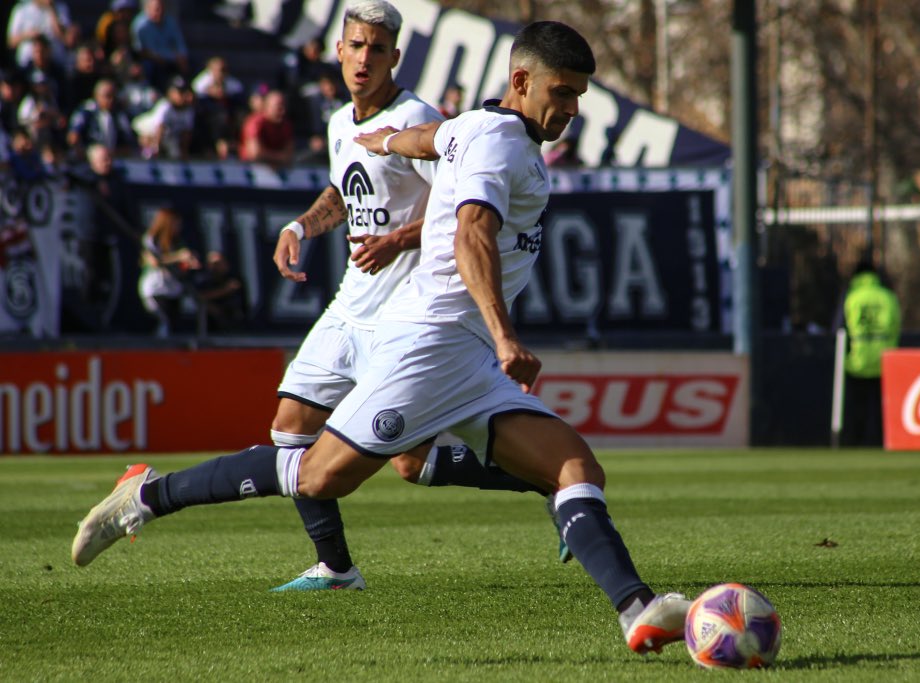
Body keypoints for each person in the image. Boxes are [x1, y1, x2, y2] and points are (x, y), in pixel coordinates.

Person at [72, 19, 691, 656]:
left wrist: (389, 138)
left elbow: (430, 139)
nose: (570, 109)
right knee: (316, 477)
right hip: (432, 344)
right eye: (561, 93)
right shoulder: (501, 141)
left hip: (464, 354)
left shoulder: (473, 127)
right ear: (522, 81)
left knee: (574, 466)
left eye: (578, 97)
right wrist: (507, 337)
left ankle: (639, 612)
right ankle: (145, 497)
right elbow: (471, 232)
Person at [267, 0, 559, 592]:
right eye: (356, 46)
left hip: (404, 312)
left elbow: (451, 201)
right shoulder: (338, 124)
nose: (364, 59)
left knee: (411, 462)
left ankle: (549, 478)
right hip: (352, 303)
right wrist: (301, 226)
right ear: (340, 51)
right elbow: (343, 190)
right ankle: (335, 566)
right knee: (290, 427)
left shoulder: (418, 116)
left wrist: (398, 240)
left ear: (395, 57)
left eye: (377, 49)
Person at [839, 257, 901, 447]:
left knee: (856, 408)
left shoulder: (852, 297)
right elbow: (896, 327)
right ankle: (881, 443)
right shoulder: (888, 297)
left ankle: (854, 444)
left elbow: (839, 329)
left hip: (857, 360)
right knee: (882, 408)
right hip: (885, 361)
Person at [137, 206, 199, 337]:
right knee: (163, 323)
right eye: (175, 223)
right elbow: (154, 261)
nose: (178, 227)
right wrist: (179, 256)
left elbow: (180, 265)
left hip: (173, 289)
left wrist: (187, 263)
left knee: (175, 327)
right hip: (156, 289)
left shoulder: (177, 242)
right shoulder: (151, 239)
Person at [130, 0, 188, 90]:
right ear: (147, 9)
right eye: (156, 9)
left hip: (170, 59)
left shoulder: (170, 21)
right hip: (151, 60)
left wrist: (181, 56)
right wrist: (158, 57)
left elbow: (180, 44)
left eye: (162, 9)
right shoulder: (140, 25)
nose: (160, 12)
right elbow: (140, 50)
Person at [7, 0, 72, 71]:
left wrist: (51, 9)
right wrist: (28, 35)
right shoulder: (22, 9)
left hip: (55, 64)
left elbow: (65, 38)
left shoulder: (61, 8)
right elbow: (10, 42)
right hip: (27, 65)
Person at [238, 89, 293, 167]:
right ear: (267, 107)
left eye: (284, 106)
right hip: (251, 170)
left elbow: (288, 155)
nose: (283, 111)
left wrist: (268, 155)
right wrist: (280, 157)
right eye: (278, 107)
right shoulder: (255, 123)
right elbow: (255, 153)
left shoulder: (286, 125)